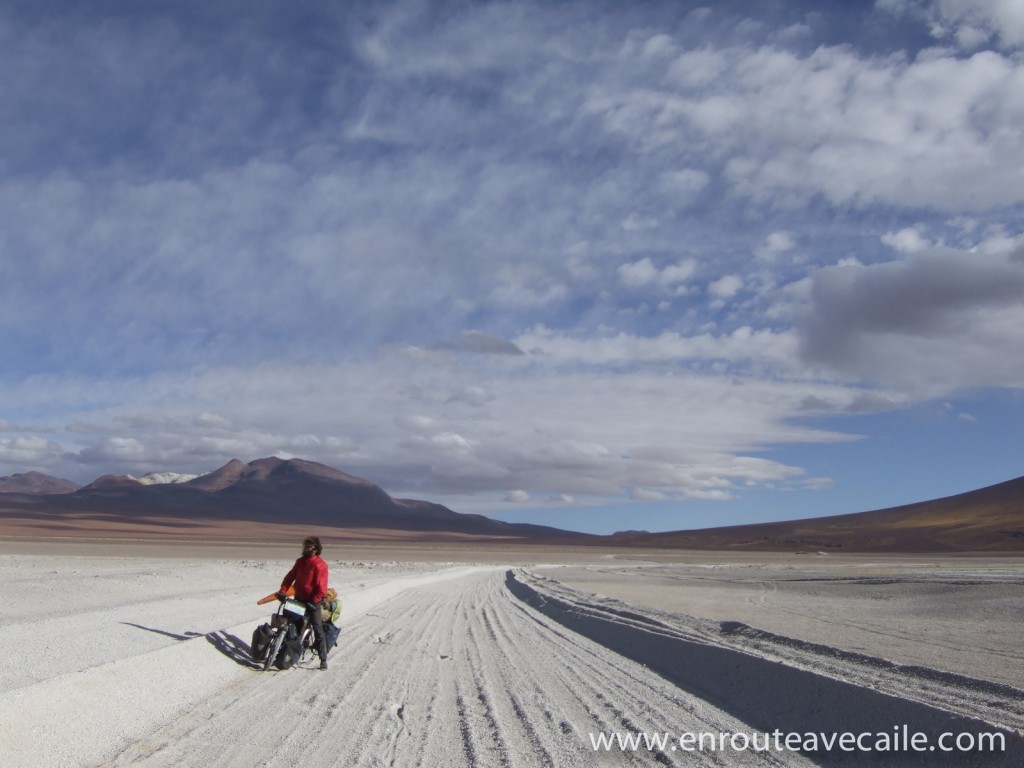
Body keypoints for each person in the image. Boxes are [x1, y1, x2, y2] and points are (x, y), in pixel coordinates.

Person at [279, 535, 330, 670]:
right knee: (291, 625)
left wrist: (314, 601)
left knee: (318, 629)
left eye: (309, 547)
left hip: (313, 602)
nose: (306, 549)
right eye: (305, 546)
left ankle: (323, 659)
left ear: (316, 549)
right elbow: (290, 577)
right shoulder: (300, 562)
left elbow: (322, 588)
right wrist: (283, 591)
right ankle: (285, 652)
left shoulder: (320, 565)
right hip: (299, 600)